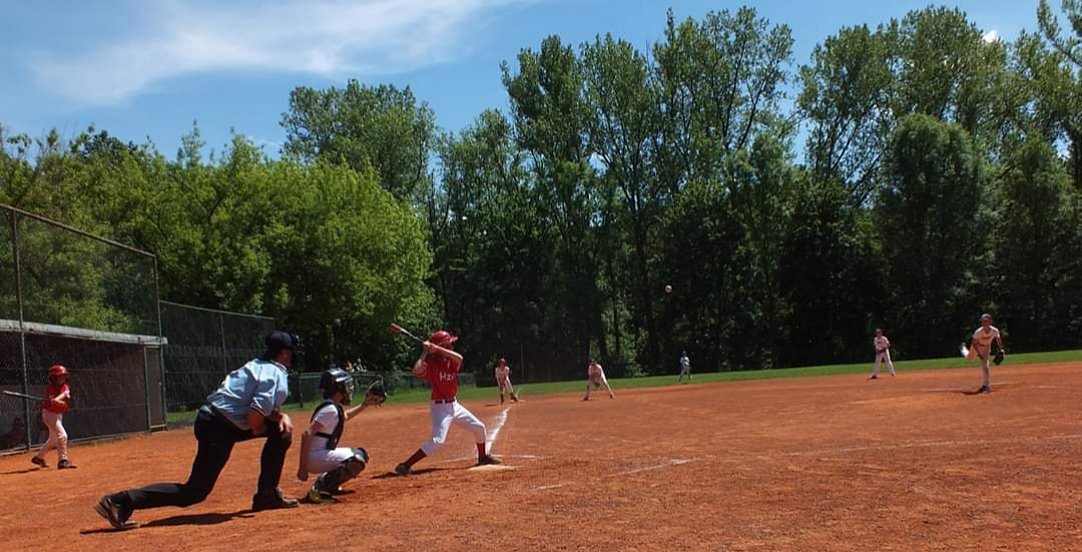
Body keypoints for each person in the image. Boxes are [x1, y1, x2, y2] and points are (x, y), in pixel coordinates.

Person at [94, 331, 300, 530]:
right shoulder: (276, 373)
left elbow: (251, 408)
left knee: (279, 429)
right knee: (193, 492)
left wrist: (278, 417)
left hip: (215, 420)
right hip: (218, 427)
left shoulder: (255, 365)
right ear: (284, 354)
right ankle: (121, 501)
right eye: (291, 353)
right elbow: (255, 416)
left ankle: (267, 494)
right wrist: (261, 427)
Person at [394, 330, 501, 475]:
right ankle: (405, 466)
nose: (452, 345)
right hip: (440, 407)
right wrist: (425, 352)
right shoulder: (431, 364)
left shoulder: (451, 361)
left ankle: (482, 458)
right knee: (438, 441)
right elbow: (416, 369)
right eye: (449, 343)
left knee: (479, 428)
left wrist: (437, 348)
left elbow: (460, 358)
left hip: (454, 405)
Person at [297, 368, 384, 504]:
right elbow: (306, 434)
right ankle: (319, 490)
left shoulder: (333, 407)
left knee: (360, 453)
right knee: (356, 459)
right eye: (346, 386)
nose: (349, 389)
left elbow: (346, 416)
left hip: (318, 455)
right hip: (314, 458)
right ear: (338, 388)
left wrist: (364, 405)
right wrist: (302, 467)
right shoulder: (330, 409)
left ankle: (329, 484)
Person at [31, 364, 76, 469]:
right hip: (49, 414)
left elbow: (64, 394)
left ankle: (39, 457)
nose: (62, 378)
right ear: (53, 378)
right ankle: (63, 461)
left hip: (58, 414)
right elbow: (52, 402)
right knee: (63, 435)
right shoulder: (50, 389)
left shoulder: (65, 386)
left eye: (64, 376)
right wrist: (54, 401)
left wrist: (57, 400)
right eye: (60, 376)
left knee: (53, 439)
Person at [969, 314, 1005, 394]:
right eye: (982, 321)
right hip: (976, 347)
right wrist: (979, 354)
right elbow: (974, 343)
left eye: (985, 321)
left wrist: (1001, 349)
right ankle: (964, 350)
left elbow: (998, 339)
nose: (983, 323)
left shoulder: (994, 330)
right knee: (969, 358)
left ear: (990, 321)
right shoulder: (978, 332)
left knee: (985, 366)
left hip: (986, 347)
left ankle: (986, 386)